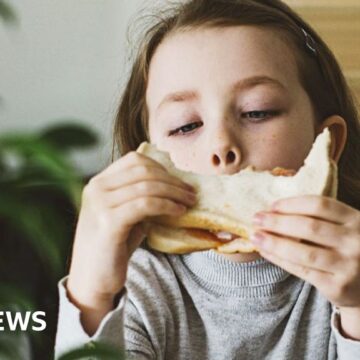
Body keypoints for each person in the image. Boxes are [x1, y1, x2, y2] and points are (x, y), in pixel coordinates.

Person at [54, 0, 360, 359]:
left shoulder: (350, 274)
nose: (221, 146)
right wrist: (91, 295)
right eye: (186, 125)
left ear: (326, 147)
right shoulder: (138, 287)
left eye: (257, 111)